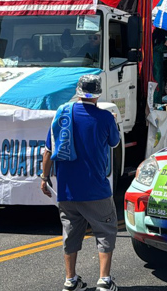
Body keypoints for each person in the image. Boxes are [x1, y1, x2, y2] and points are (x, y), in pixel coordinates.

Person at [41, 75, 120, 291]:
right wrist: (113, 121)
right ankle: (104, 280)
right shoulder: (105, 117)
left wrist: (44, 178)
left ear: (78, 91)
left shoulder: (62, 115)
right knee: (105, 230)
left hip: (67, 190)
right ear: (98, 94)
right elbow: (114, 141)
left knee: (70, 233)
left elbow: (48, 151)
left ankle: (71, 280)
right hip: (96, 189)